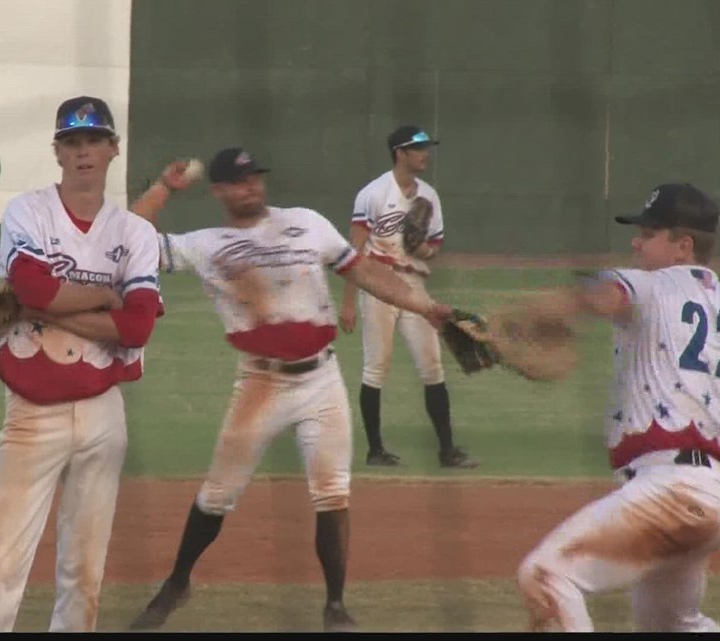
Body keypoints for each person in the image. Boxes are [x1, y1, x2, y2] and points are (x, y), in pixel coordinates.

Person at [123, 147, 454, 632]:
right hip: (260, 384)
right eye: (238, 182)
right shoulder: (206, 243)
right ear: (217, 191)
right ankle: (177, 583)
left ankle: (335, 605)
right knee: (217, 495)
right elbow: (130, 239)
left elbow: (363, 272)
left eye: (255, 178)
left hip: (322, 381)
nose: (251, 187)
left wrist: (424, 307)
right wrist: (164, 188)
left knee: (332, 494)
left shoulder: (307, 223)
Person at [514, 183, 720, 632]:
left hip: (670, 492)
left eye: (650, 233)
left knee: (546, 575)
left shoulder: (648, 287)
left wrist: (555, 307)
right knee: (673, 624)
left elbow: (604, 292)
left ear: (684, 245)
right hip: (716, 499)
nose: (636, 242)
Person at [0, 96, 177, 633]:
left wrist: (49, 304)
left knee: (84, 575)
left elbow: (139, 326)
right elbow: (33, 286)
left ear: (113, 150)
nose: (84, 152)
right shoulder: (28, 212)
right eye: (73, 142)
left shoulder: (133, 233)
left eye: (94, 141)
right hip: (32, 415)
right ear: (57, 151)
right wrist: (106, 295)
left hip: (104, 416)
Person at [338, 125, 478, 468]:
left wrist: (422, 248)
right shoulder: (372, 194)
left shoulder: (429, 196)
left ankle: (447, 451)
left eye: (426, 147)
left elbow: (433, 249)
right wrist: (347, 301)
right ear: (400, 153)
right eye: (418, 149)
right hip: (376, 284)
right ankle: (375, 450)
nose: (425, 154)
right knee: (376, 367)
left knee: (432, 365)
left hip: (414, 285)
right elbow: (353, 251)